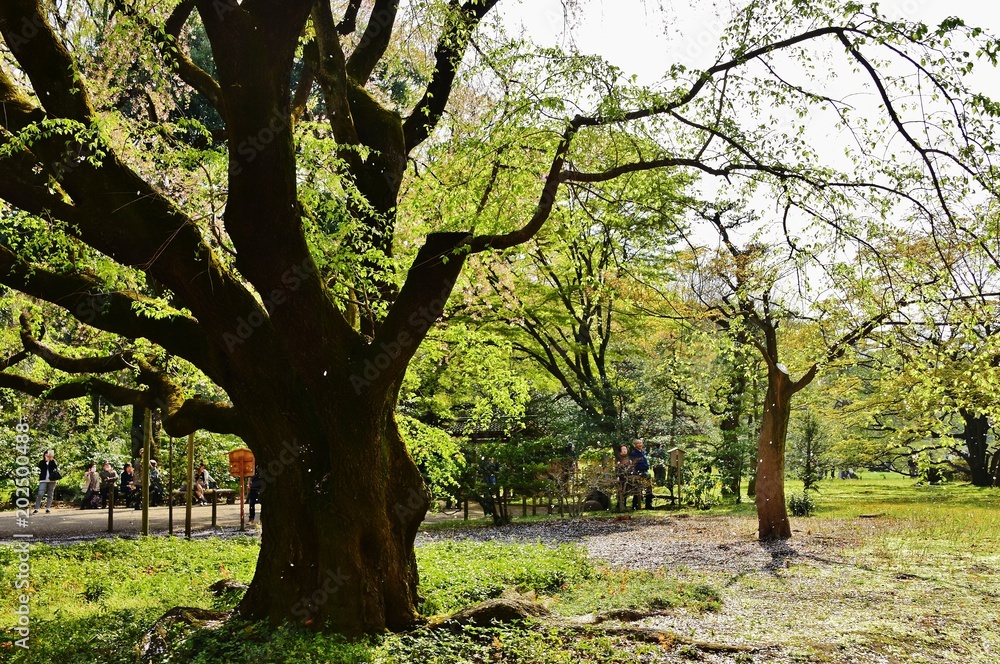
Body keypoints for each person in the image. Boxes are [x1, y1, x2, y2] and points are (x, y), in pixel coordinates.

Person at [33, 449, 61, 514]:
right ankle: (36, 508)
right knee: (40, 494)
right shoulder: (42, 462)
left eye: (49, 455)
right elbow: (40, 467)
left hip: (52, 480)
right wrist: (46, 461)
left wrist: (51, 460)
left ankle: (48, 508)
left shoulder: (53, 461)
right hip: (43, 480)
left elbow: (55, 466)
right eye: (46, 454)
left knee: (50, 494)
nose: (47, 456)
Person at [628, 439, 652, 510]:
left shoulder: (643, 452)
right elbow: (633, 464)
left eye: (641, 443)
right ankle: (635, 505)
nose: (640, 444)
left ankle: (648, 505)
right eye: (638, 443)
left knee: (649, 488)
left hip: (645, 472)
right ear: (635, 445)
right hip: (638, 472)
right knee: (637, 489)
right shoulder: (633, 453)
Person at [615, 444, 632, 511]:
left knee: (627, 491)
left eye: (625, 449)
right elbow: (617, 468)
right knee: (621, 491)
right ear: (620, 451)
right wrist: (617, 476)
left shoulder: (628, 458)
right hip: (621, 476)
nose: (625, 451)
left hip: (627, 476)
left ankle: (624, 505)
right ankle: (619, 505)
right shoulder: (618, 458)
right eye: (623, 449)